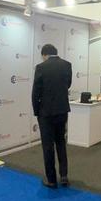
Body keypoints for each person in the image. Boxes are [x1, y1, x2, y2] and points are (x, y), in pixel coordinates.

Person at [32, 43, 73, 188]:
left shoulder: (41, 67)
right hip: (62, 111)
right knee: (61, 143)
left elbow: (35, 92)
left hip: (46, 113)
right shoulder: (67, 65)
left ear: (44, 55)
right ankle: (64, 176)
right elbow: (68, 85)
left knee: (48, 146)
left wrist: (36, 111)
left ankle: (51, 180)